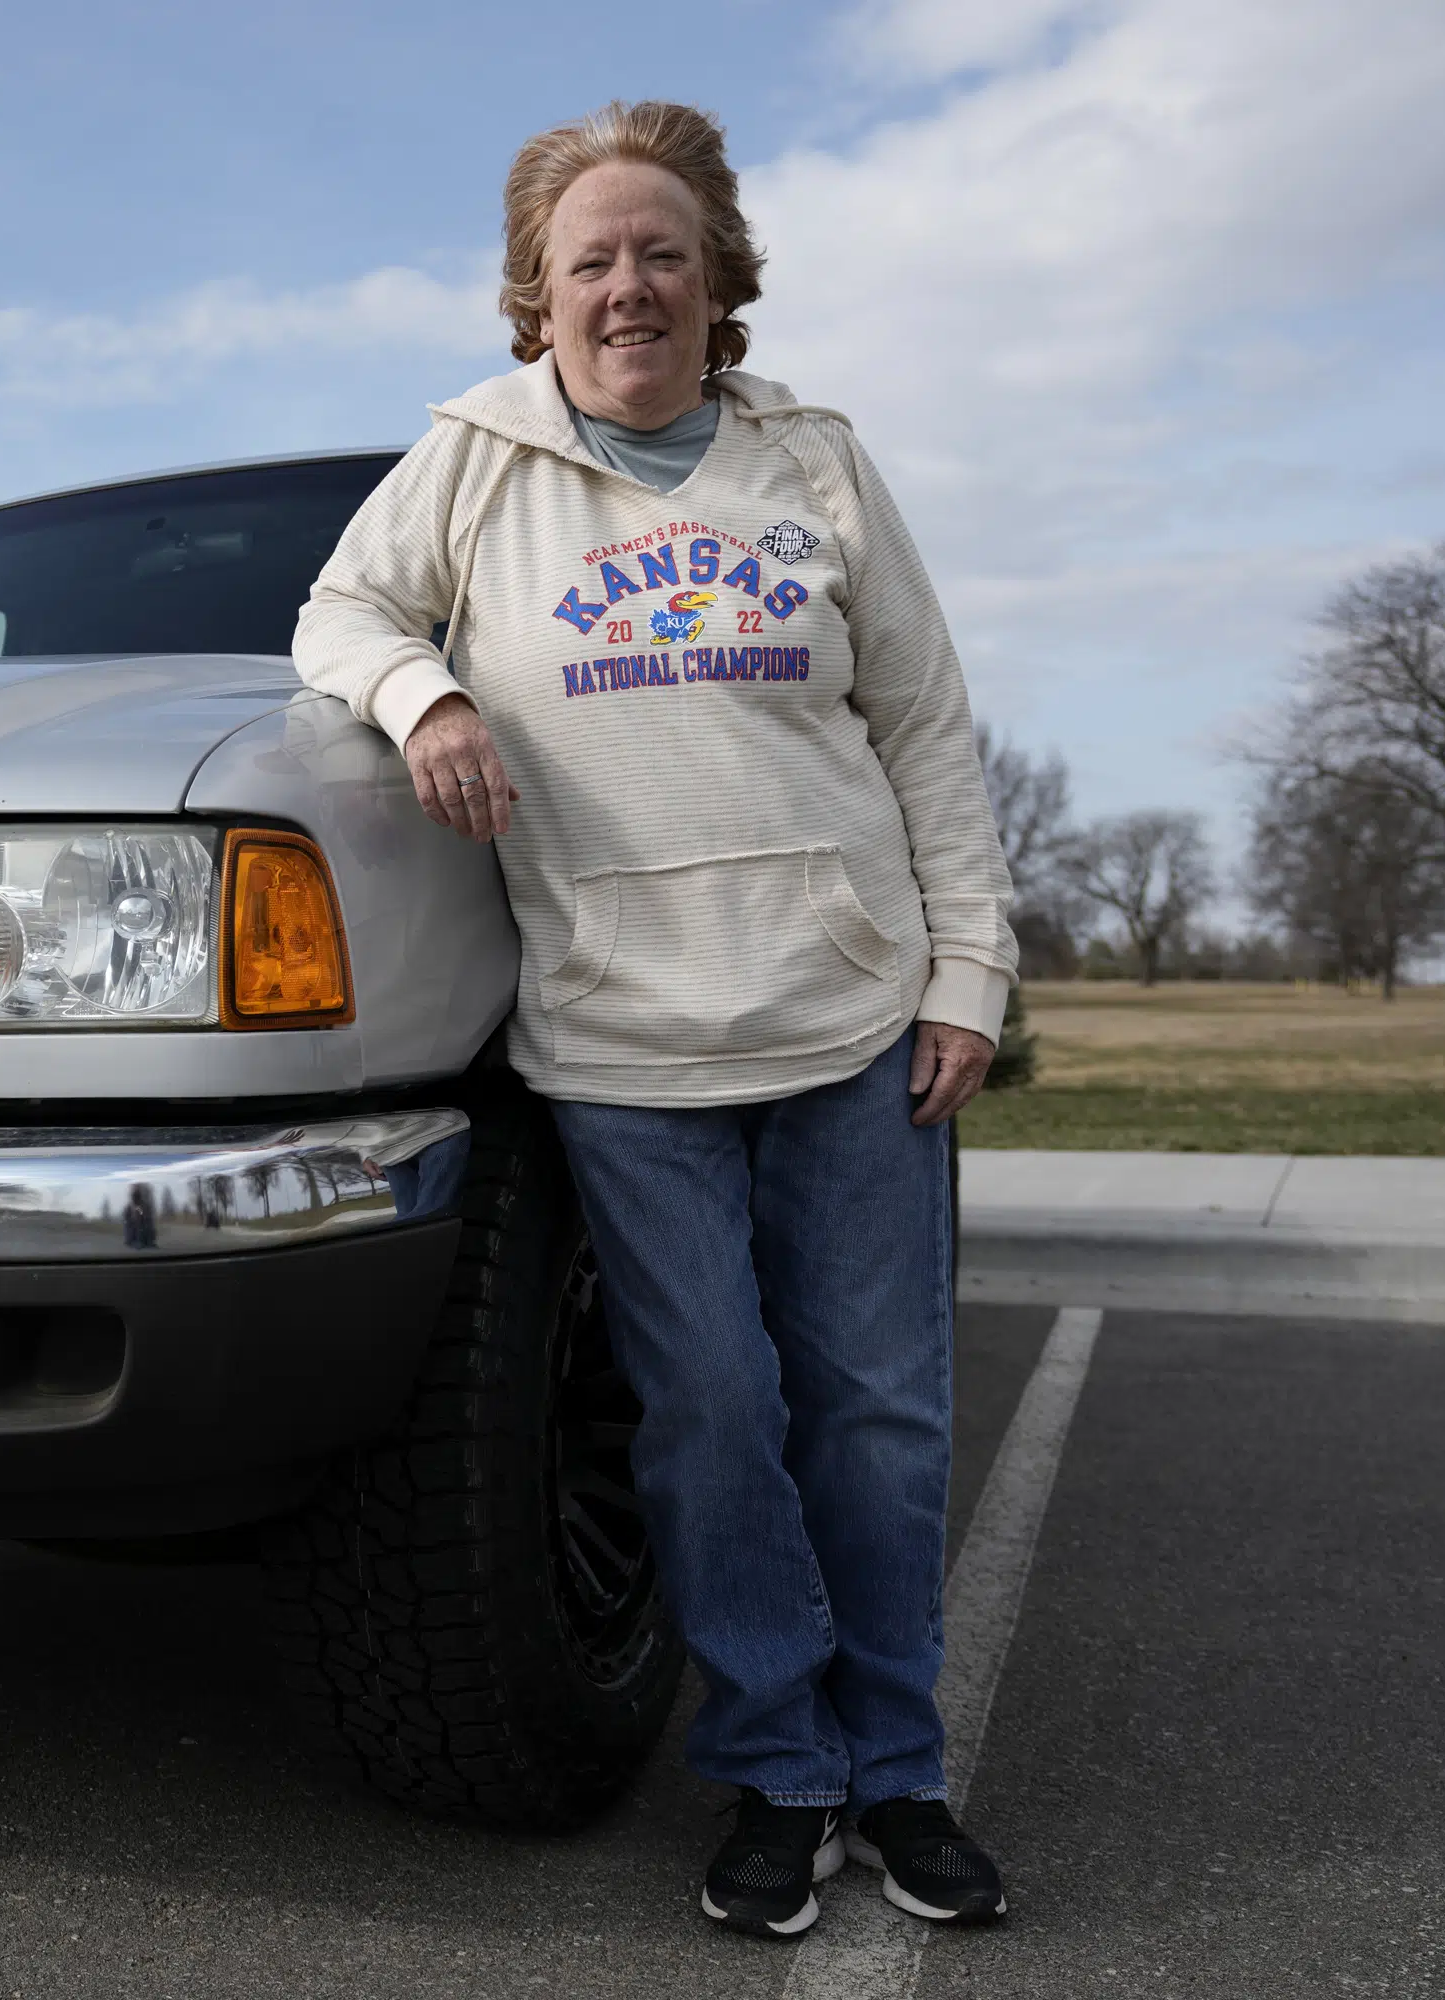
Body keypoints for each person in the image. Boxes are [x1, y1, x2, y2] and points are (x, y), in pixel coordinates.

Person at [292, 100, 1020, 1938]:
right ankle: (781, 1769)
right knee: (707, 1412)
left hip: (853, 1017)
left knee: (877, 1416)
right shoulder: (469, 462)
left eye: (663, 252)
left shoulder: (818, 461)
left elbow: (926, 729)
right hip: (624, 1040)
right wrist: (423, 696)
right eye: (591, 261)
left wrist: (970, 972)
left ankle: (903, 1771)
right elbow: (339, 609)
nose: (630, 287)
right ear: (538, 297)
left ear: (721, 279)